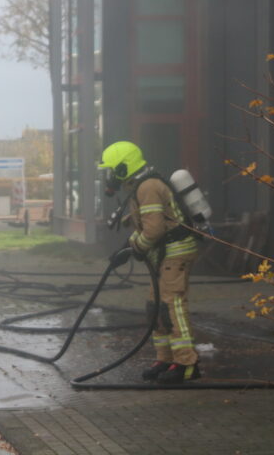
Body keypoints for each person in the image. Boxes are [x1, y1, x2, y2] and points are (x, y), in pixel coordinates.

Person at [98, 141, 200, 384]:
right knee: (155, 307)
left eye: (112, 170)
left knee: (172, 305)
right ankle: (165, 359)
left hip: (176, 253)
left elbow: (154, 231)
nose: (110, 177)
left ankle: (187, 364)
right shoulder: (141, 186)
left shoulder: (148, 187)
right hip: (164, 254)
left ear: (123, 168)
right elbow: (146, 227)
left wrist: (134, 248)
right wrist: (126, 247)